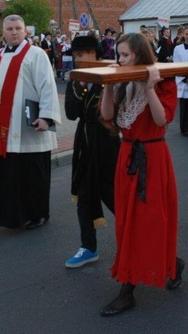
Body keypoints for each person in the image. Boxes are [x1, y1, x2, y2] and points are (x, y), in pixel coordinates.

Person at [98, 33, 183, 317]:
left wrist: (149, 88)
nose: (119, 59)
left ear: (139, 54)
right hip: (127, 155)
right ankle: (169, 265)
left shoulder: (164, 79)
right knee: (127, 222)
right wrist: (108, 86)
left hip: (153, 157)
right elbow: (108, 116)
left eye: (125, 55)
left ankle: (128, 290)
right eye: (118, 55)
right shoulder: (120, 80)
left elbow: (162, 120)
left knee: (150, 221)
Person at [0, 15, 62, 232]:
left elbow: (48, 86)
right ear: (3, 33)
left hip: (29, 126)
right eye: (10, 28)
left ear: (25, 31)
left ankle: (38, 214)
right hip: (3, 128)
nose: (14, 32)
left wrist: (46, 117)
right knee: (0, 174)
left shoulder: (36, 55)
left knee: (32, 174)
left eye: (18, 28)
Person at [64, 36, 120, 269]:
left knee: (113, 195)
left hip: (107, 142)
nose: (77, 60)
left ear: (95, 55)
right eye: (75, 56)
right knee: (84, 195)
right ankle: (88, 247)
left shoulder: (111, 75)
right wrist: (80, 86)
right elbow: (70, 113)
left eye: (81, 55)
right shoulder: (76, 80)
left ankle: (138, 236)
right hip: (84, 141)